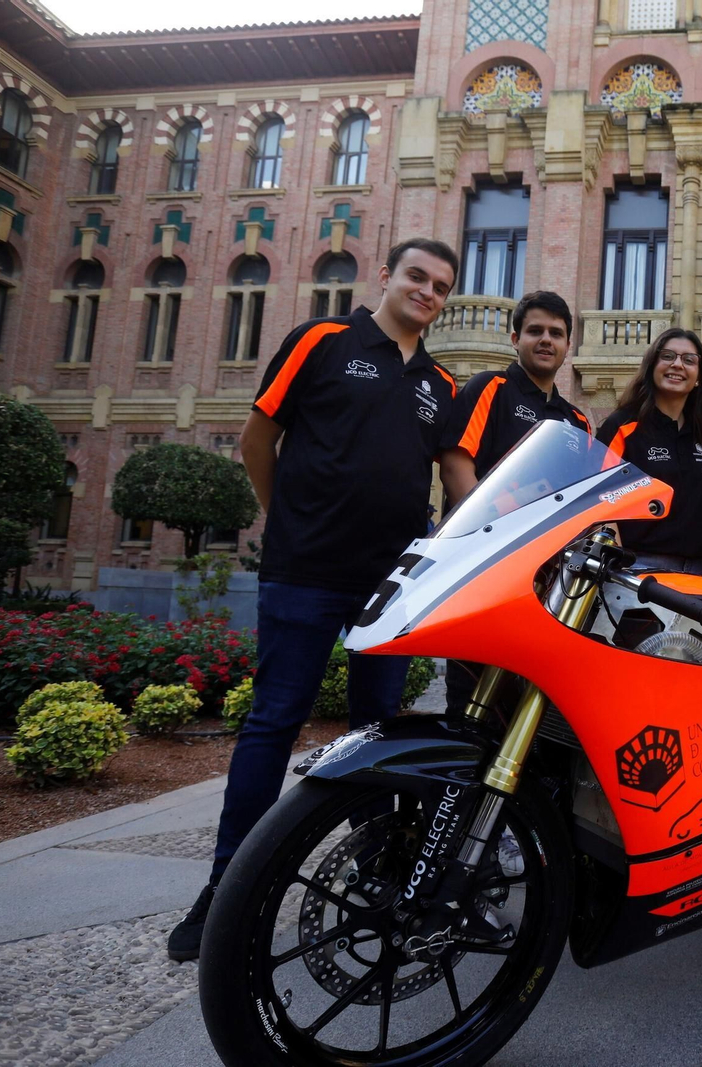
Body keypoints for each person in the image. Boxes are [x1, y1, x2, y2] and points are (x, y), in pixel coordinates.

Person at [167, 238, 461, 961]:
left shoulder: (441, 384)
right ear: (385, 275)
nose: (427, 292)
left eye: (441, 286)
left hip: (391, 586)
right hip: (304, 571)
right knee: (273, 722)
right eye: (417, 276)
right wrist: (285, 521)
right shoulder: (322, 340)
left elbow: (453, 480)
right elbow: (257, 439)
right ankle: (225, 889)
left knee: (377, 733)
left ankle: (373, 870)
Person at [439, 290, 591, 714]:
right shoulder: (491, 387)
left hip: (545, 582)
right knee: (471, 698)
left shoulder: (576, 420)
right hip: (480, 571)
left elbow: (583, 502)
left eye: (556, 333)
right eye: (535, 331)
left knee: (528, 701)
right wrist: (490, 543)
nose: (546, 340)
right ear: (515, 338)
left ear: (567, 345)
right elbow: (455, 466)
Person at [596, 327, 702, 575]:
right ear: (652, 366)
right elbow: (598, 495)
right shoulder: (623, 425)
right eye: (667, 356)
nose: (677, 364)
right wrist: (616, 561)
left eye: (689, 360)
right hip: (639, 564)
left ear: (699, 377)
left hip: (699, 569)